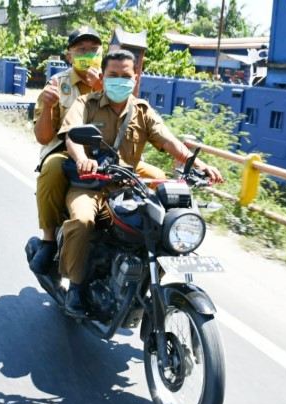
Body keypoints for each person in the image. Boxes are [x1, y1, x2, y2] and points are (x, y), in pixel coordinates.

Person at [57, 50, 224, 317]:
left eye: (126, 76)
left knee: (161, 223)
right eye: (113, 75)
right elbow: (73, 139)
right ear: (103, 76)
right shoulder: (85, 104)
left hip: (128, 187)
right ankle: (75, 286)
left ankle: (140, 282)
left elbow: (170, 142)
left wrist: (199, 164)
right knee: (83, 221)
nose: (119, 81)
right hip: (91, 184)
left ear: (135, 79)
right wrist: (82, 159)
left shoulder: (142, 111)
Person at [29, 26, 165, 274]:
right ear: (69, 56)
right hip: (69, 151)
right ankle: (48, 240)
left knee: (159, 179)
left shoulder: (111, 80)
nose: (87, 54)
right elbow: (43, 137)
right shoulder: (58, 84)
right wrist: (48, 107)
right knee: (51, 168)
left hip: (114, 155)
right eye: (81, 49)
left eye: (93, 49)